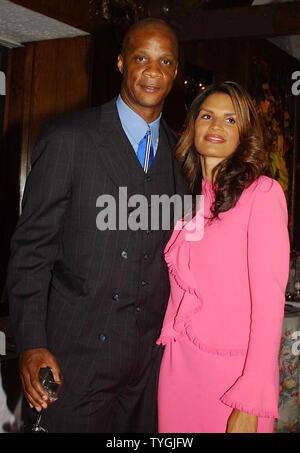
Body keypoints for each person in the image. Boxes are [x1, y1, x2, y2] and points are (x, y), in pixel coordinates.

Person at [6, 18, 188, 433]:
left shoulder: (183, 158)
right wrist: (32, 343)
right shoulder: (69, 138)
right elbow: (32, 251)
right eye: (142, 58)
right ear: (121, 62)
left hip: (148, 371)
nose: (153, 71)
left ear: (175, 72)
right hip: (77, 360)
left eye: (165, 61)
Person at [156, 81, 290, 433]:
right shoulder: (190, 203)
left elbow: (269, 305)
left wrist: (250, 399)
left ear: (245, 134)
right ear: (192, 126)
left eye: (231, 120)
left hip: (233, 380)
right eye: (207, 116)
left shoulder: (262, 193)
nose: (216, 126)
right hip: (179, 372)